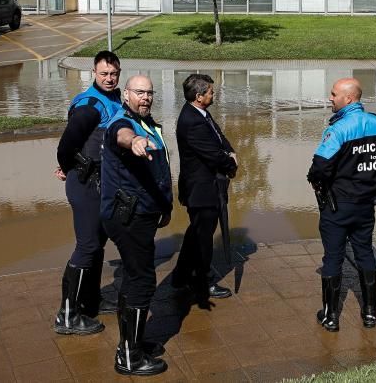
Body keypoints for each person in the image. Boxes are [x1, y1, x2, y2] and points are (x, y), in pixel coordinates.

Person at [307, 77, 376, 332]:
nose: (330, 98)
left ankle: (331, 316)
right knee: (365, 253)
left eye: (334, 94)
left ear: (349, 99)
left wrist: (316, 183)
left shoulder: (339, 128)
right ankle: (370, 314)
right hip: (366, 206)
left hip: (337, 206)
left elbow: (319, 167)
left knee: (333, 258)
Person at [101, 74, 172, 377]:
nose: (145, 97)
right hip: (128, 216)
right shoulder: (123, 122)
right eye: (139, 92)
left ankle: (135, 342)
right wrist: (135, 142)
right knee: (142, 280)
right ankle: (129, 356)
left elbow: (156, 172)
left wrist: (165, 207)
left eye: (149, 93)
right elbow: (121, 134)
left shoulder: (146, 122)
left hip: (142, 212)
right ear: (126, 94)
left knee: (133, 277)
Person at [53, 50, 122, 336]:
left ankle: (91, 300)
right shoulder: (90, 105)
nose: (109, 78)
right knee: (87, 246)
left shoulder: (115, 98)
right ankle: (67, 315)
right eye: (104, 73)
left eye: (113, 74)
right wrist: (67, 166)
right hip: (85, 185)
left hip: (102, 184)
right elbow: (67, 144)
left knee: (97, 243)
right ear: (94, 72)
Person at [170, 73, 238, 307]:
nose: (213, 93)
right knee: (202, 239)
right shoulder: (192, 122)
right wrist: (231, 163)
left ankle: (181, 276)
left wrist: (231, 151)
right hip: (201, 189)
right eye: (210, 91)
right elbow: (212, 153)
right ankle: (202, 282)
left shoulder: (201, 114)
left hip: (205, 187)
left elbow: (219, 137)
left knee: (195, 234)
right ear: (199, 96)